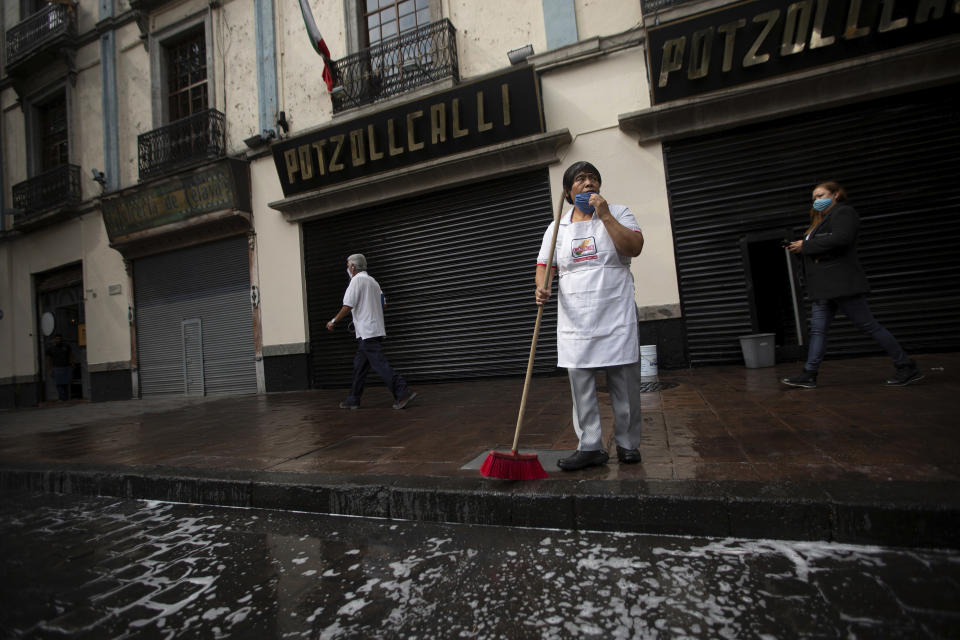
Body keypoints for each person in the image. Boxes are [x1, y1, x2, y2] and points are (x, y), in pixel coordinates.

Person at [535, 161, 646, 471]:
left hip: (614, 309)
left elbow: (634, 247)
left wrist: (605, 215)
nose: (588, 184)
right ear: (569, 191)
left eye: (593, 179)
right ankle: (590, 446)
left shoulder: (619, 212)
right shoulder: (558, 226)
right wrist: (541, 287)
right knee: (581, 382)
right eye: (580, 180)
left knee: (623, 381)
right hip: (576, 315)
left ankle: (627, 443)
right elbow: (545, 265)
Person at [782, 181, 922, 389]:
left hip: (841, 284)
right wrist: (800, 248)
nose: (816, 201)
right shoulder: (821, 219)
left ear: (836, 194)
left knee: (868, 325)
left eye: (820, 196)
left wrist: (807, 245)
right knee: (818, 330)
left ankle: (906, 365)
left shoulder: (844, 213)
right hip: (823, 287)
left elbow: (842, 239)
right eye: (814, 198)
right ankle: (809, 373)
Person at [327, 254, 417, 409]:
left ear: (353, 267)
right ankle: (353, 399)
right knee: (359, 367)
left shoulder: (356, 281)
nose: (347, 268)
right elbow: (383, 303)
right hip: (372, 330)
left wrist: (333, 321)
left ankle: (402, 392)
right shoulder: (373, 282)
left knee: (380, 364)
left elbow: (347, 305)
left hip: (367, 331)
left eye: (348, 265)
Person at [45, 333, 73, 401]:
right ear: (54, 340)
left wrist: (72, 364)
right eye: (56, 339)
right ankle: (61, 398)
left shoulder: (66, 346)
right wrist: (49, 369)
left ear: (61, 339)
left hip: (66, 367)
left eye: (59, 339)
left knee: (65, 384)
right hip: (56, 368)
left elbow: (70, 355)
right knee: (59, 384)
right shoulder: (51, 349)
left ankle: (66, 398)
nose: (58, 340)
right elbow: (48, 359)